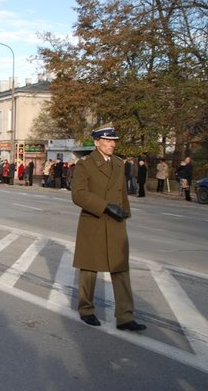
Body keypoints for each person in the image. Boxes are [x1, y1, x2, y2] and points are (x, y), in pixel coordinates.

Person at [71, 126, 146, 331]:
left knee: (120, 268)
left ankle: (125, 316)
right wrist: (105, 206)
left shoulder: (119, 164)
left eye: (114, 140)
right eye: (108, 140)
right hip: (93, 220)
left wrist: (125, 213)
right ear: (96, 142)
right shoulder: (85, 165)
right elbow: (78, 194)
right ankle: (86, 309)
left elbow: (121, 194)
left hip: (115, 223)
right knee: (89, 267)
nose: (113, 143)